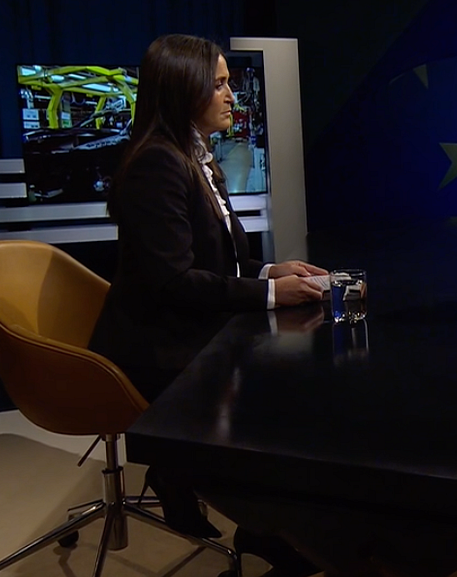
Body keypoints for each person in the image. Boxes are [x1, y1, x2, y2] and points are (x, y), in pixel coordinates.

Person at [87, 33, 326, 575]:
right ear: (182, 89)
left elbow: (216, 262)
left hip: (191, 329)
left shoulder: (193, 157)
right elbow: (174, 282)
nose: (231, 96)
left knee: (293, 380)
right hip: (155, 351)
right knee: (279, 394)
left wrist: (270, 272)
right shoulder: (156, 164)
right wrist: (271, 295)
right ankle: (247, 515)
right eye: (218, 84)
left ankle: (264, 525)